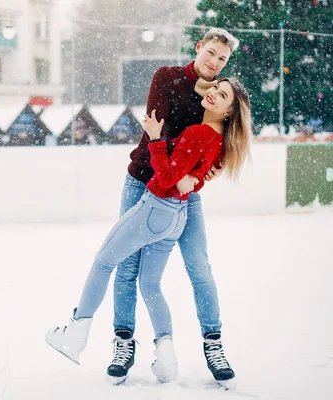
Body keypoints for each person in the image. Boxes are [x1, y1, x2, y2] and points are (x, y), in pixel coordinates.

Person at [46, 28, 244, 386]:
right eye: (211, 53)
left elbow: (214, 147)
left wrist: (195, 179)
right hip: (145, 181)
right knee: (127, 268)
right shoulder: (168, 78)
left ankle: (213, 343)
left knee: (198, 266)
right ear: (199, 48)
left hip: (181, 193)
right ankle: (124, 341)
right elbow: (160, 131)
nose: (215, 63)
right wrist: (181, 172)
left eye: (223, 59)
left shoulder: (216, 96)